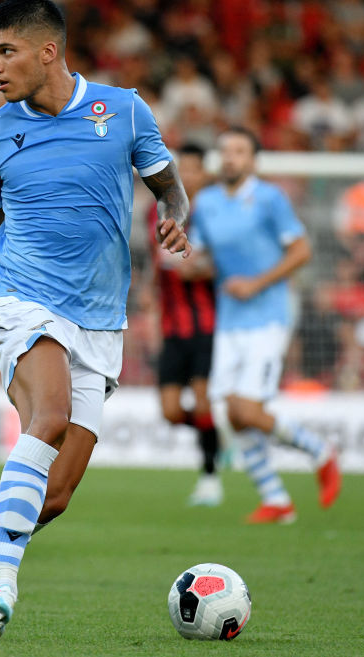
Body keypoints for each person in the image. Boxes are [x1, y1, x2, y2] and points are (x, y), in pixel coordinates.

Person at [0, 0, 191, 639]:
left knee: (51, 498)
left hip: (100, 318)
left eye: (6, 51)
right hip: (21, 300)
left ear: (47, 51)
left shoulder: (125, 110)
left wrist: (175, 212)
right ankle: (3, 585)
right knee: (48, 415)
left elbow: (169, 183)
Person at [187, 127, 341, 524]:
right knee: (231, 414)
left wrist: (257, 283)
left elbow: (302, 250)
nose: (231, 158)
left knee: (249, 408)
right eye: (225, 151)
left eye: (239, 151)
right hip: (229, 318)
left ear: (254, 159)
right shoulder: (206, 203)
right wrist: (185, 262)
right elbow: (201, 259)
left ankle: (320, 451)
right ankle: (276, 500)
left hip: (269, 315)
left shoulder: (271, 199)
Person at [147, 144, 220, 506]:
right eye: (182, 169)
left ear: (204, 173)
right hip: (172, 327)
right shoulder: (156, 212)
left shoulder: (216, 212)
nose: (186, 176)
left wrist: (204, 268)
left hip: (208, 325)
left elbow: (228, 264)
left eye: (193, 169)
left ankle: (210, 476)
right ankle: (217, 437)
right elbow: (155, 264)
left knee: (204, 400)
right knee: (171, 411)